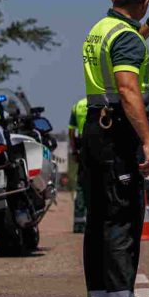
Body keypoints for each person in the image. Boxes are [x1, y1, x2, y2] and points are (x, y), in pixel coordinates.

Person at [81, 0, 149, 297]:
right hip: (118, 135)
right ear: (145, 0)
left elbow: (122, 51)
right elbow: (128, 89)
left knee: (100, 220)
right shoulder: (125, 38)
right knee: (123, 219)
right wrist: (148, 141)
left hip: (95, 130)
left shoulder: (101, 29)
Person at [68, 97, 88, 233]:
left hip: (82, 147)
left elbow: (71, 131)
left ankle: (78, 224)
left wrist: (74, 151)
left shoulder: (77, 105)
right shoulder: (103, 102)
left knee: (81, 185)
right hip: (99, 145)